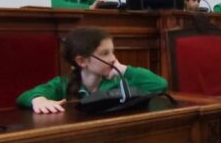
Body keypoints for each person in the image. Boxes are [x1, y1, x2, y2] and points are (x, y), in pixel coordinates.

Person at [17, 27, 167, 113]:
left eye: (112, 52)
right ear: (81, 61)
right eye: (105, 53)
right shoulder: (63, 84)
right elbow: (24, 97)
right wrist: (38, 100)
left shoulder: (118, 80)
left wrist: (126, 70)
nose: (113, 58)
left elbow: (160, 85)